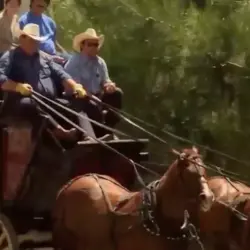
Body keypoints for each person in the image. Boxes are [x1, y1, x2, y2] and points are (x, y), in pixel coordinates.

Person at [0, 23, 89, 140]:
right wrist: (17, 87)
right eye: (31, 40)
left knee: (77, 101)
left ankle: (88, 137)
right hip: (22, 103)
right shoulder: (10, 56)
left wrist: (75, 86)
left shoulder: (45, 57)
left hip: (48, 101)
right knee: (28, 103)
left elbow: (61, 74)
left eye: (36, 41)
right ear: (22, 39)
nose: (35, 43)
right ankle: (57, 130)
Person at [64, 28, 123, 138]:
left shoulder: (100, 62)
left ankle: (109, 129)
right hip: (78, 97)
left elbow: (105, 80)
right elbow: (73, 86)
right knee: (87, 102)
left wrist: (109, 85)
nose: (93, 47)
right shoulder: (74, 62)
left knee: (117, 94)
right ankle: (90, 136)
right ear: (82, 45)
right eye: (90, 44)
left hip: (96, 96)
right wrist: (91, 97)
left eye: (95, 44)